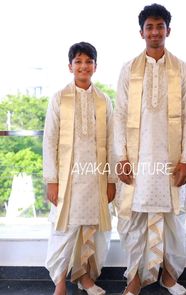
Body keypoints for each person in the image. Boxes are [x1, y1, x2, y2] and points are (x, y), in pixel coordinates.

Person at [113, 3, 186, 295]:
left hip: (171, 159)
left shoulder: (182, 69)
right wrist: (121, 157)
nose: (155, 31)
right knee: (135, 220)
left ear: (168, 31)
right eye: (150, 27)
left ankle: (169, 276)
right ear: (141, 32)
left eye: (160, 26)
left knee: (174, 218)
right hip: (138, 159)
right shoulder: (128, 69)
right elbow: (120, 115)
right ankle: (134, 278)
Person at [43, 42, 116, 295]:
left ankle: (84, 276)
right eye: (78, 62)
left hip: (95, 177)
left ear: (95, 66)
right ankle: (60, 282)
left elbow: (111, 143)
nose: (83, 66)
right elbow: (49, 140)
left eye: (88, 61)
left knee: (90, 229)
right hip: (67, 178)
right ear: (70, 66)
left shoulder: (104, 101)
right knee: (64, 228)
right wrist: (52, 180)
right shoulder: (59, 98)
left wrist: (111, 180)